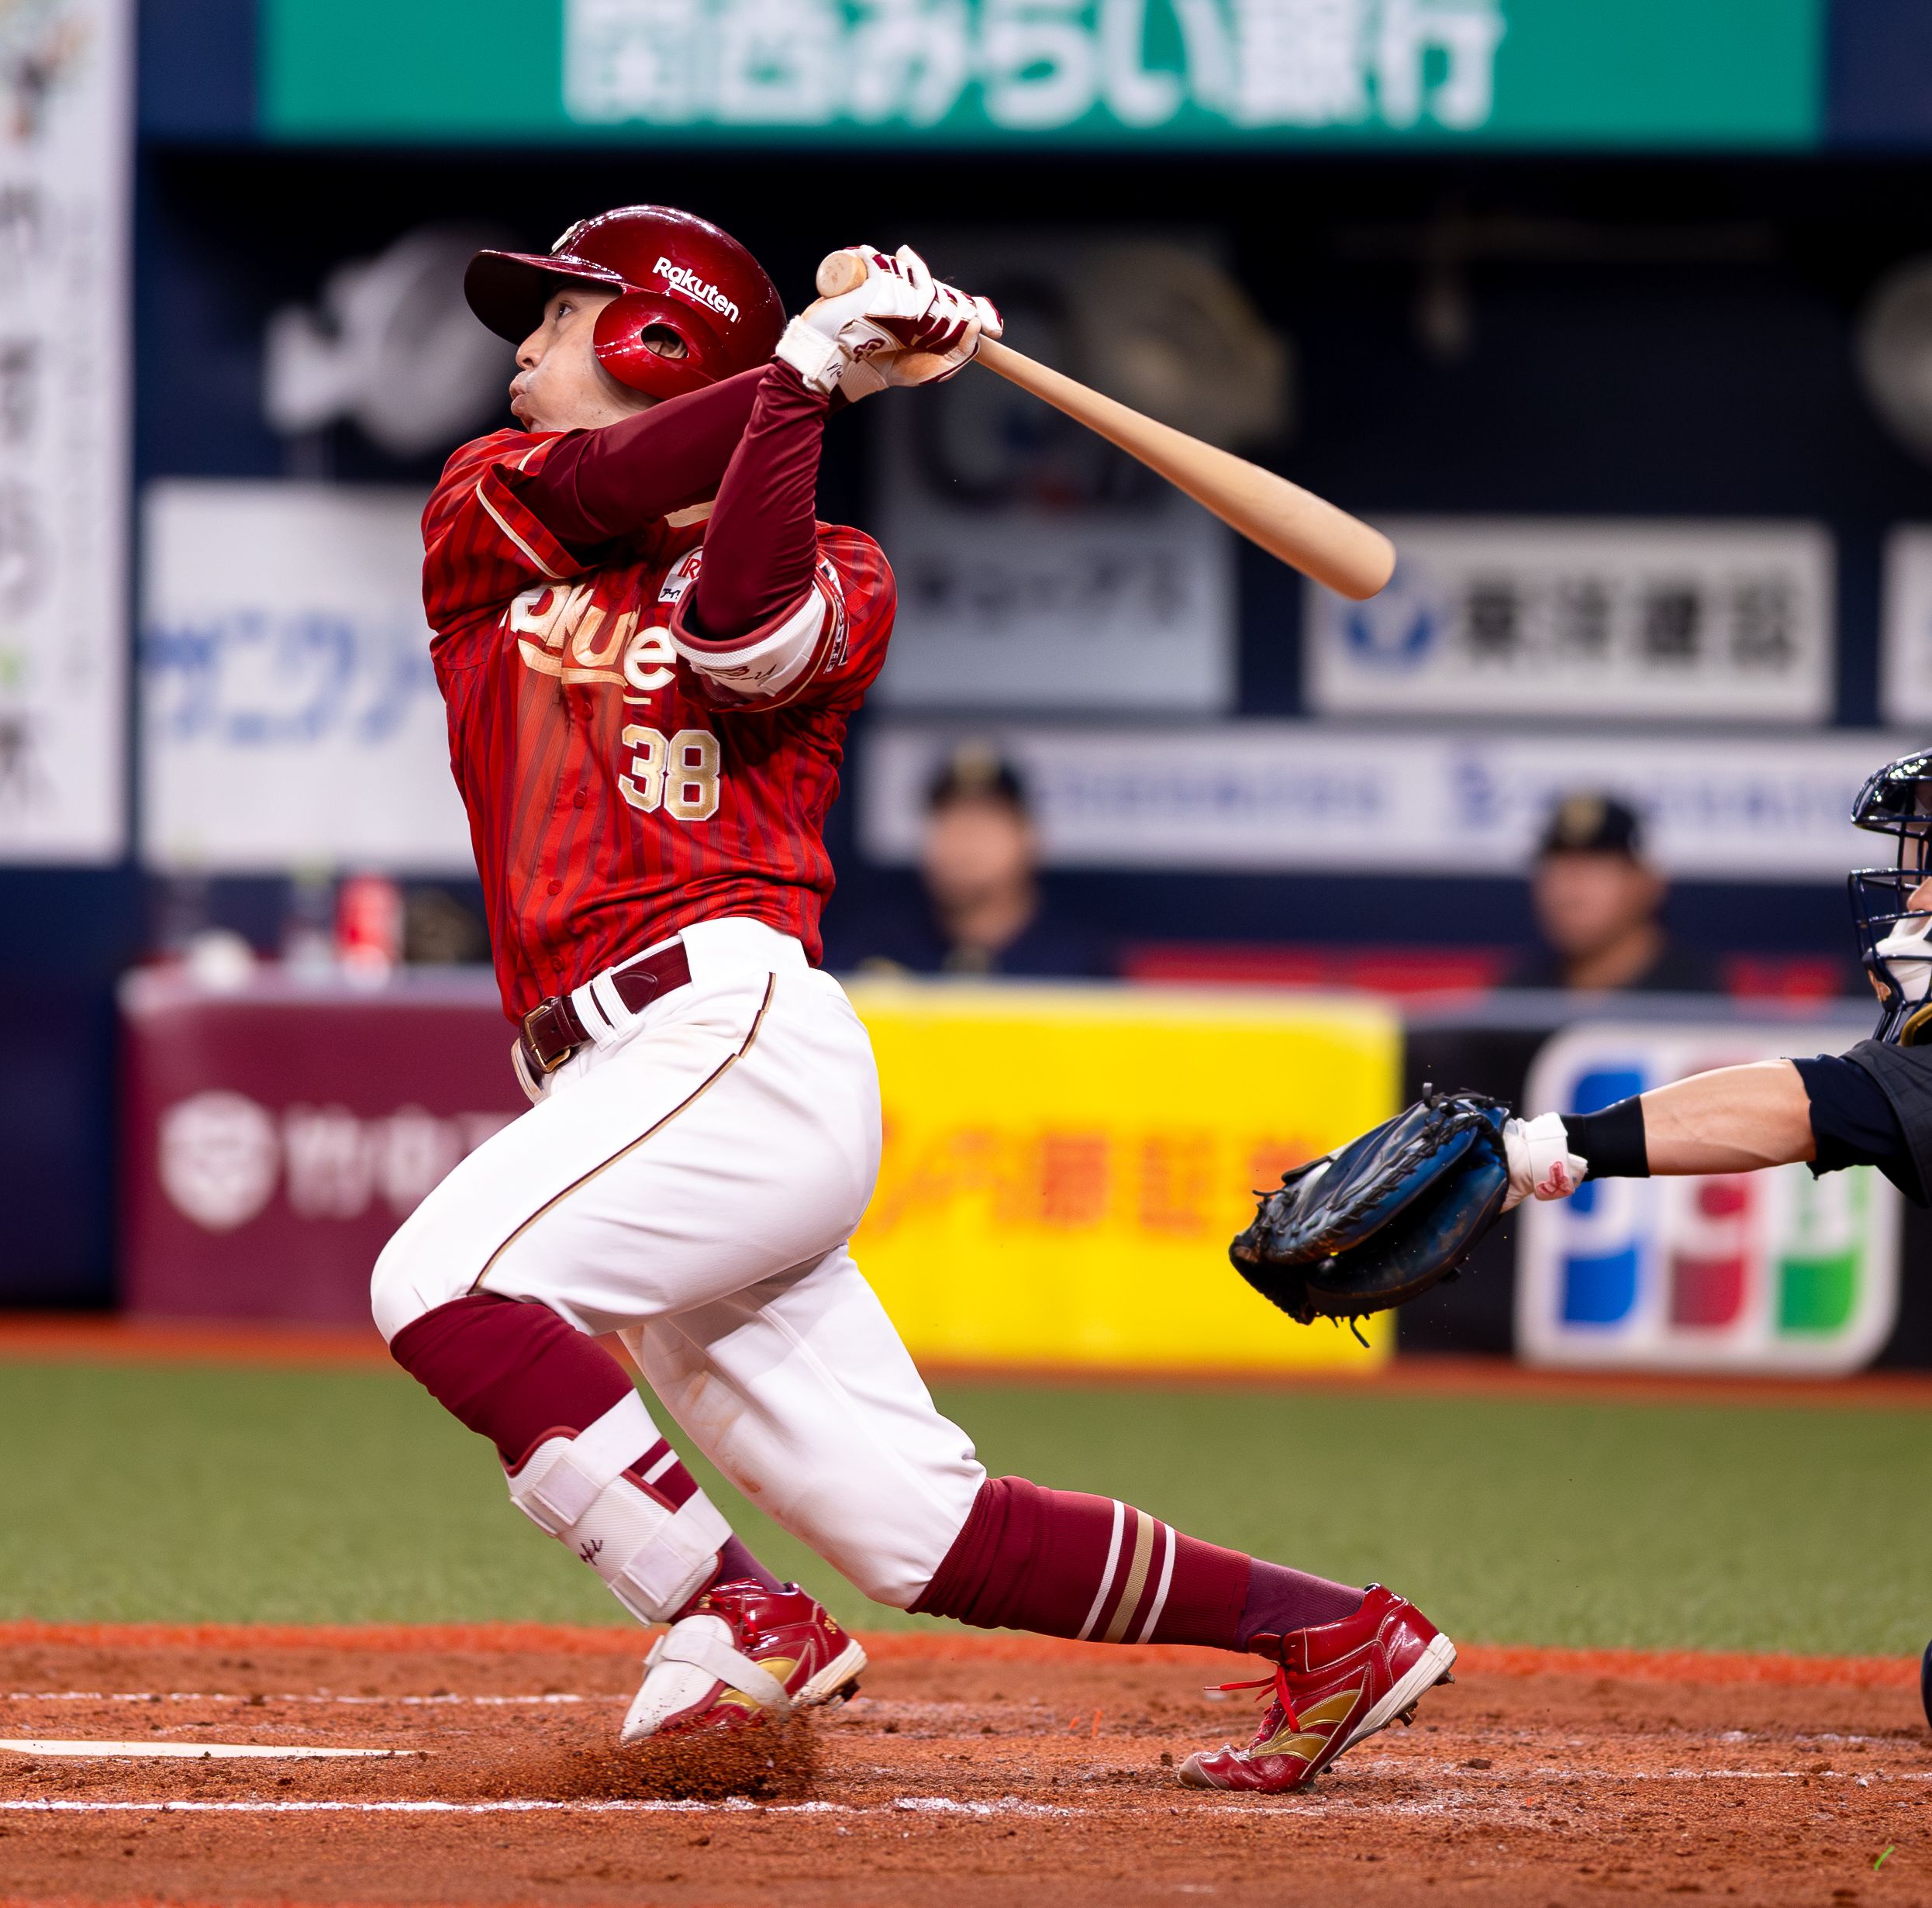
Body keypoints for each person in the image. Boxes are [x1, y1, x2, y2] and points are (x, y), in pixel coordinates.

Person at [373, 204, 1451, 1793]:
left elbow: (739, 636)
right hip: (620, 1090)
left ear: (651, 338)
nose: (522, 347)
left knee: (439, 1283)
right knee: (915, 1528)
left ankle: (733, 1610)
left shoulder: (840, 567)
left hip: (725, 1037)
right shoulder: (487, 506)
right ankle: (1336, 1635)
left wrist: (812, 386)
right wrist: (814, 373)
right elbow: (616, 483)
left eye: (561, 313)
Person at [1501, 747, 1932, 1216]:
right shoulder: (1518, 984)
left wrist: (1542, 1147)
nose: (1917, 900)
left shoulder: (1692, 984)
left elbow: (1814, 1103)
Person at [899, 742, 1109, 977]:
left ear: (1028, 838)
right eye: (949, 824)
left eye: (982, 825)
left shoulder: (1080, 963)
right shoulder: (879, 951)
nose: (964, 844)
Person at [1506, 791, 1716, 995]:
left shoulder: (1699, 1006)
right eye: (1558, 868)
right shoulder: (1513, 1003)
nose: (1571, 892)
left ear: (1648, 883)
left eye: (1595, 868)